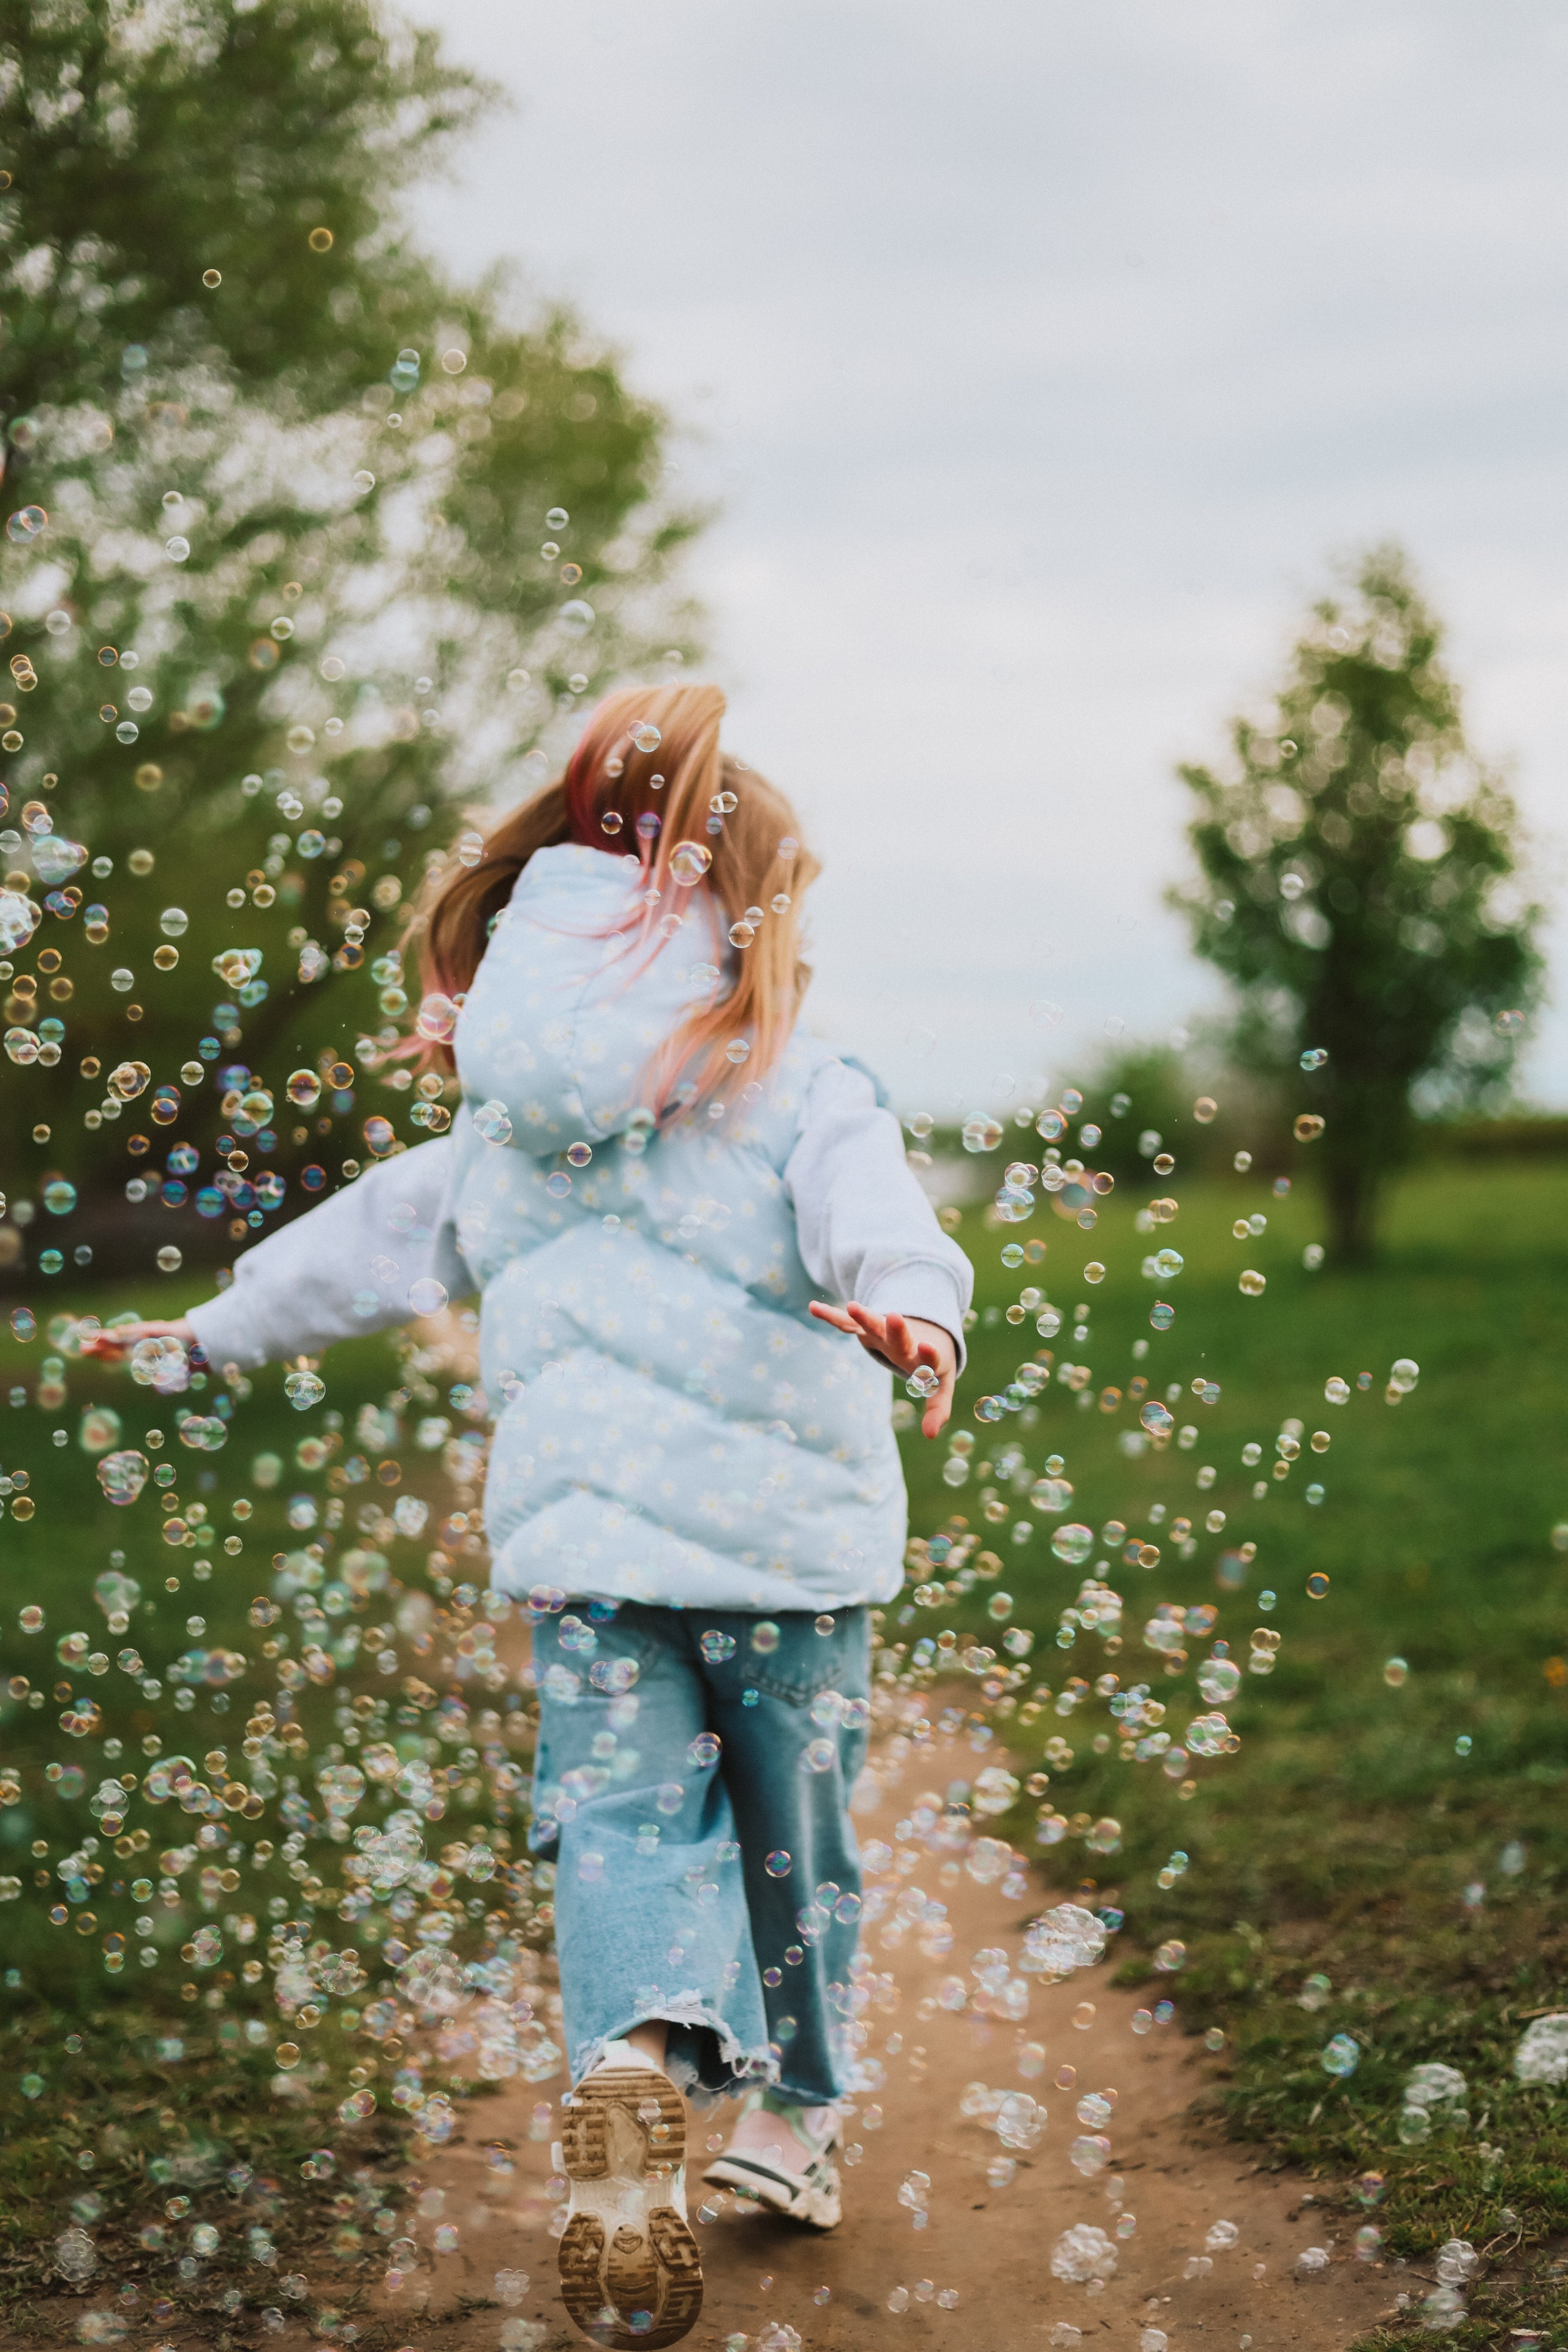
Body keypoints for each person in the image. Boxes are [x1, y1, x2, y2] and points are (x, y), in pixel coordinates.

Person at [90, 682, 971, 2351]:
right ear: (751, 918)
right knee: (797, 1844)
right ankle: (789, 2121)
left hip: (588, 1556)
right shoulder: (800, 1083)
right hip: (791, 1556)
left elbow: (366, 1244)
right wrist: (916, 1310)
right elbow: (878, 1220)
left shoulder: (504, 1126)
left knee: (626, 1822)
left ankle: (632, 2064)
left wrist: (206, 1332)